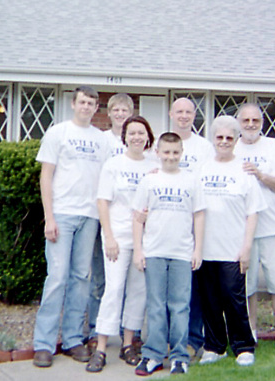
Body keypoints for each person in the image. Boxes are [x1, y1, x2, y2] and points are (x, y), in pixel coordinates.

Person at [32, 86, 110, 368]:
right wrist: (49, 217)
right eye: (82, 102)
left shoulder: (102, 140)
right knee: (57, 278)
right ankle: (43, 344)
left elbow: (111, 174)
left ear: (96, 107)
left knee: (81, 278)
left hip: (89, 215)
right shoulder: (58, 132)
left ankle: (74, 339)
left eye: (91, 103)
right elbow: (46, 176)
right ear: (73, 104)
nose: (86, 107)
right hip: (62, 214)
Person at [86, 116, 157, 373]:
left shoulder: (154, 166)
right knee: (113, 289)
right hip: (118, 237)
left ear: (148, 137)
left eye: (141, 133)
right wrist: (109, 237)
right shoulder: (113, 165)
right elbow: (102, 201)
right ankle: (102, 347)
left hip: (145, 240)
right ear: (124, 136)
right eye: (132, 133)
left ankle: (128, 345)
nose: (137, 137)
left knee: (138, 291)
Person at [132, 132, 206, 375]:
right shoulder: (149, 181)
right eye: (166, 152)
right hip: (154, 251)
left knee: (180, 305)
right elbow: (137, 217)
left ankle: (179, 356)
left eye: (175, 153)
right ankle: (153, 355)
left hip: (182, 253)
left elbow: (199, 215)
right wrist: (138, 250)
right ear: (158, 153)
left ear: (181, 153)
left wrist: (198, 249)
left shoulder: (191, 180)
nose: (171, 157)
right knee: (155, 305)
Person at [198, 116, 266, 367]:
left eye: (229, 138)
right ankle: (214, 347)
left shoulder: (244, 170)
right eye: (220, 137)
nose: (224, 142)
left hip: (233, 248)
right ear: (213, 139)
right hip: (205, 248)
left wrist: (246, 247)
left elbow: (253, 212)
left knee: (233, 298)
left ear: (236, 140)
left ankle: (243, 346)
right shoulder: (202, 168)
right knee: (210, 300)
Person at [234, 103, 275, 353]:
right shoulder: (233, 148)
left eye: (255, 120)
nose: (250, 124)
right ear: (238, 122)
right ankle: (250, 333)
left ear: (261, 122)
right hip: (242, 231)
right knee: (247, 286)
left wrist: (261, 175)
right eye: (245, 120)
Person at [85, 93, 135, 351]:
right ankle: (96, 329)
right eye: (115, 109)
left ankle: (128, 332)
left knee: (127, 281)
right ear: (109, 112)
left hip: (128, 222)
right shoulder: (102, 140)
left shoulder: (137, 141)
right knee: (100, 279)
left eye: (124, 109)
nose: (120, 114)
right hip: (103, 213)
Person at [169, 97, 214, 362]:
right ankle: (170, 338)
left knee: (193, 286)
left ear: (195, 115)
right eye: (180, 112)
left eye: (189, 112)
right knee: (169, 287)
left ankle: (192, 339)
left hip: (194, 222)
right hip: (167, 224)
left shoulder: (204, 147)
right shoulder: (161, 143)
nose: (184, 116)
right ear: (171, 114)